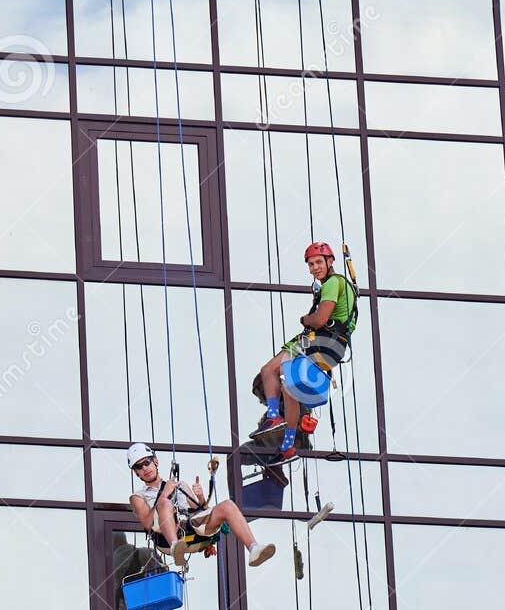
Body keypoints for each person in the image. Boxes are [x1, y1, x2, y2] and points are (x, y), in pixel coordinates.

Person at [253, 242, 358, 460]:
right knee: (289, 388)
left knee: (271, 370)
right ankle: (288, 444)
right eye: (311, 264)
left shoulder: (332, 283)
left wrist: (305, 319)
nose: (314, 268)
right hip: (330, 345)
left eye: (319, 262)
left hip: (321, 340)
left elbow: (320, 319)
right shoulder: (337, 285)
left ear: (330, 262)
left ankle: (274, 416)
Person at [128, 443, 276, 567]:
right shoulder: (138, 497)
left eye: (147, 462)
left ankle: (253, 548)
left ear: (156, 462)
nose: (145, 468)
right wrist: (164, 494)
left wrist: (200, 497)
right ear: (136, 473)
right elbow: (147, 523)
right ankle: (176, 548)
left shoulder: (179, 485)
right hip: (165, 536)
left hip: (190, 527)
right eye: (139, 467)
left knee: (227, 505)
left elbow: (198, 511)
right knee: (164, 504)